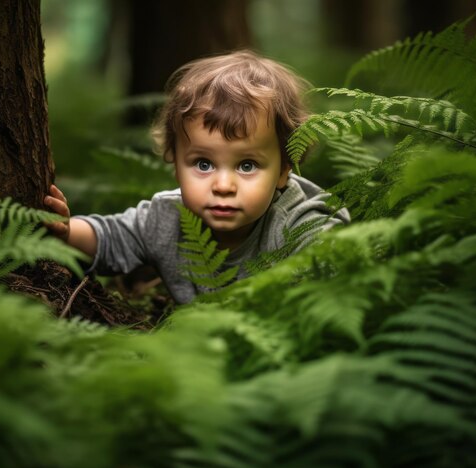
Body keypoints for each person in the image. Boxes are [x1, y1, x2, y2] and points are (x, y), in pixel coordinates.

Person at [45, 50, 349, 304]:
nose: (223, 186)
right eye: (203, 164)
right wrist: (66, 230)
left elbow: (341, 275)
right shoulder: (167, 218)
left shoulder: (300, 227)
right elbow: (110, 238)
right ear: (175, 164)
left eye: (247, 166)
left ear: (284, 169)